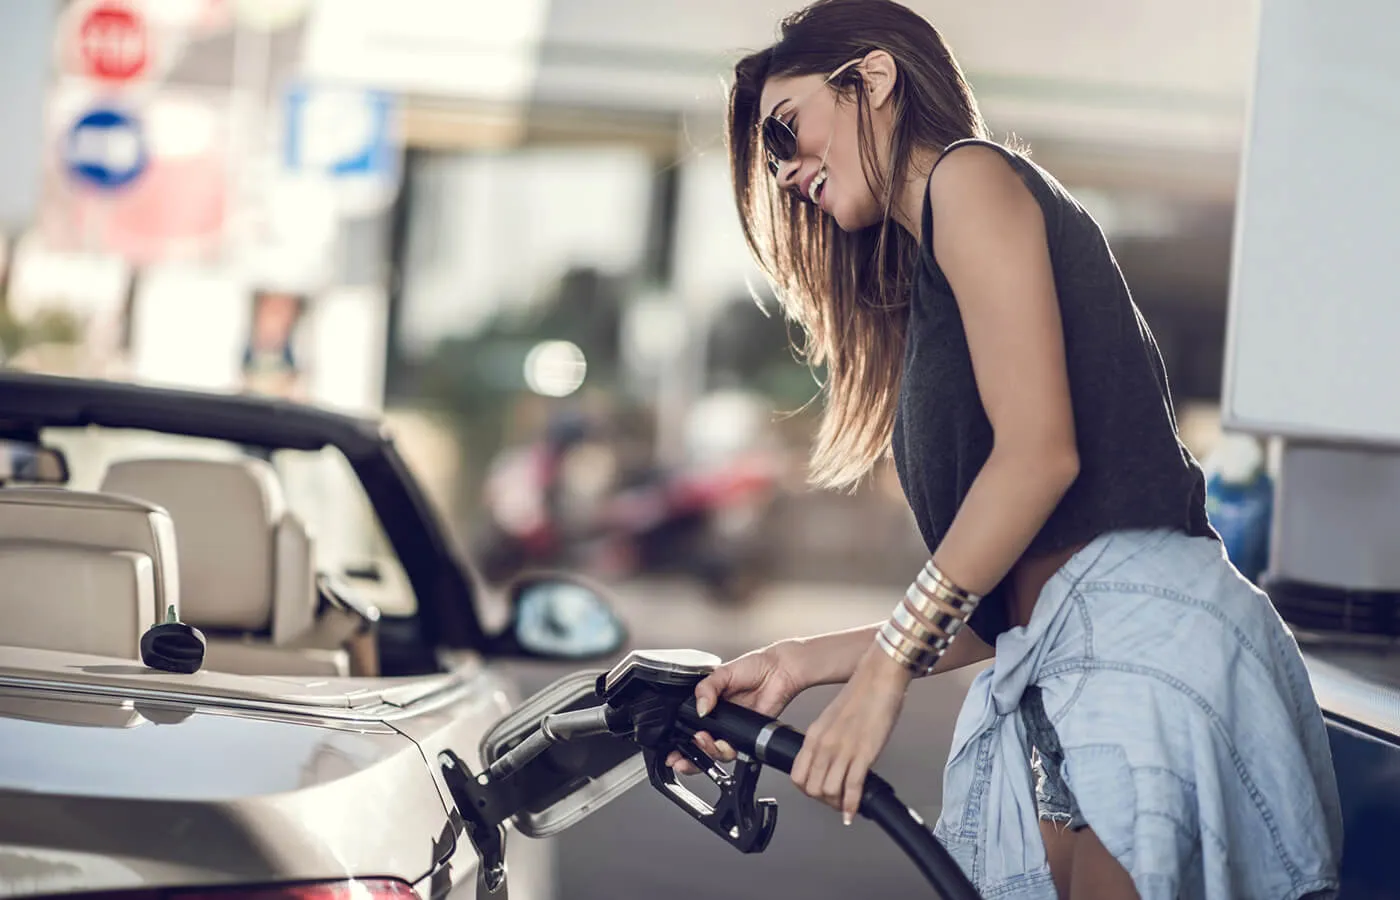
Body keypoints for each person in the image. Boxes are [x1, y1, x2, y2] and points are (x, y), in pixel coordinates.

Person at [666, 1, 1344, 898]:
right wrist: (802, 663)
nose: (786, 173)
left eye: (785, 132)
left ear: (871, 78)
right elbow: (1003, 601)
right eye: (771, 157)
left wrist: (883, 676)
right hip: (1069, 676)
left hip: (1145, 651)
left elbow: (1038, 459)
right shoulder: (932, 279)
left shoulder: (970, 178)